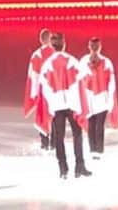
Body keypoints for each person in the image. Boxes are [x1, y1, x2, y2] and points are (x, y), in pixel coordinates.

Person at [38, 32, 91, 179]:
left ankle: (63, 169)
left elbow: (43, 86)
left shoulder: (47, 64)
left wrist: (51, 104)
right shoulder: (72, 61)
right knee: (77, 134)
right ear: (64, 44)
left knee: (59, 137)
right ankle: (79, 166)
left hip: (56, 106)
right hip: (72, 104)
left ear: (52, 46)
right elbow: (82, 79)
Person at [79, 37, 118, 158]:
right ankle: (99, 150)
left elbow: (80, 81)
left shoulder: (83, 61)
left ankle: (93, 150)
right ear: (100, 47)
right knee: (99, 124)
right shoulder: (107, 62)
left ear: (89, 46)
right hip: (102, 98)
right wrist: (111, 99)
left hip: (89, 97)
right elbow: (111, 82)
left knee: (91, 123)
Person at [24, 28, 55, 150]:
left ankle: (44, 141)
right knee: (54, 115)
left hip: (42, 90)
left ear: (40, 40)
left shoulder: (36, 55)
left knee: (42, 115)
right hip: (54, 90)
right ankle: (54, 142)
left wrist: (34, 92)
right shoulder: (55, 53)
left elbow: (33, 75)